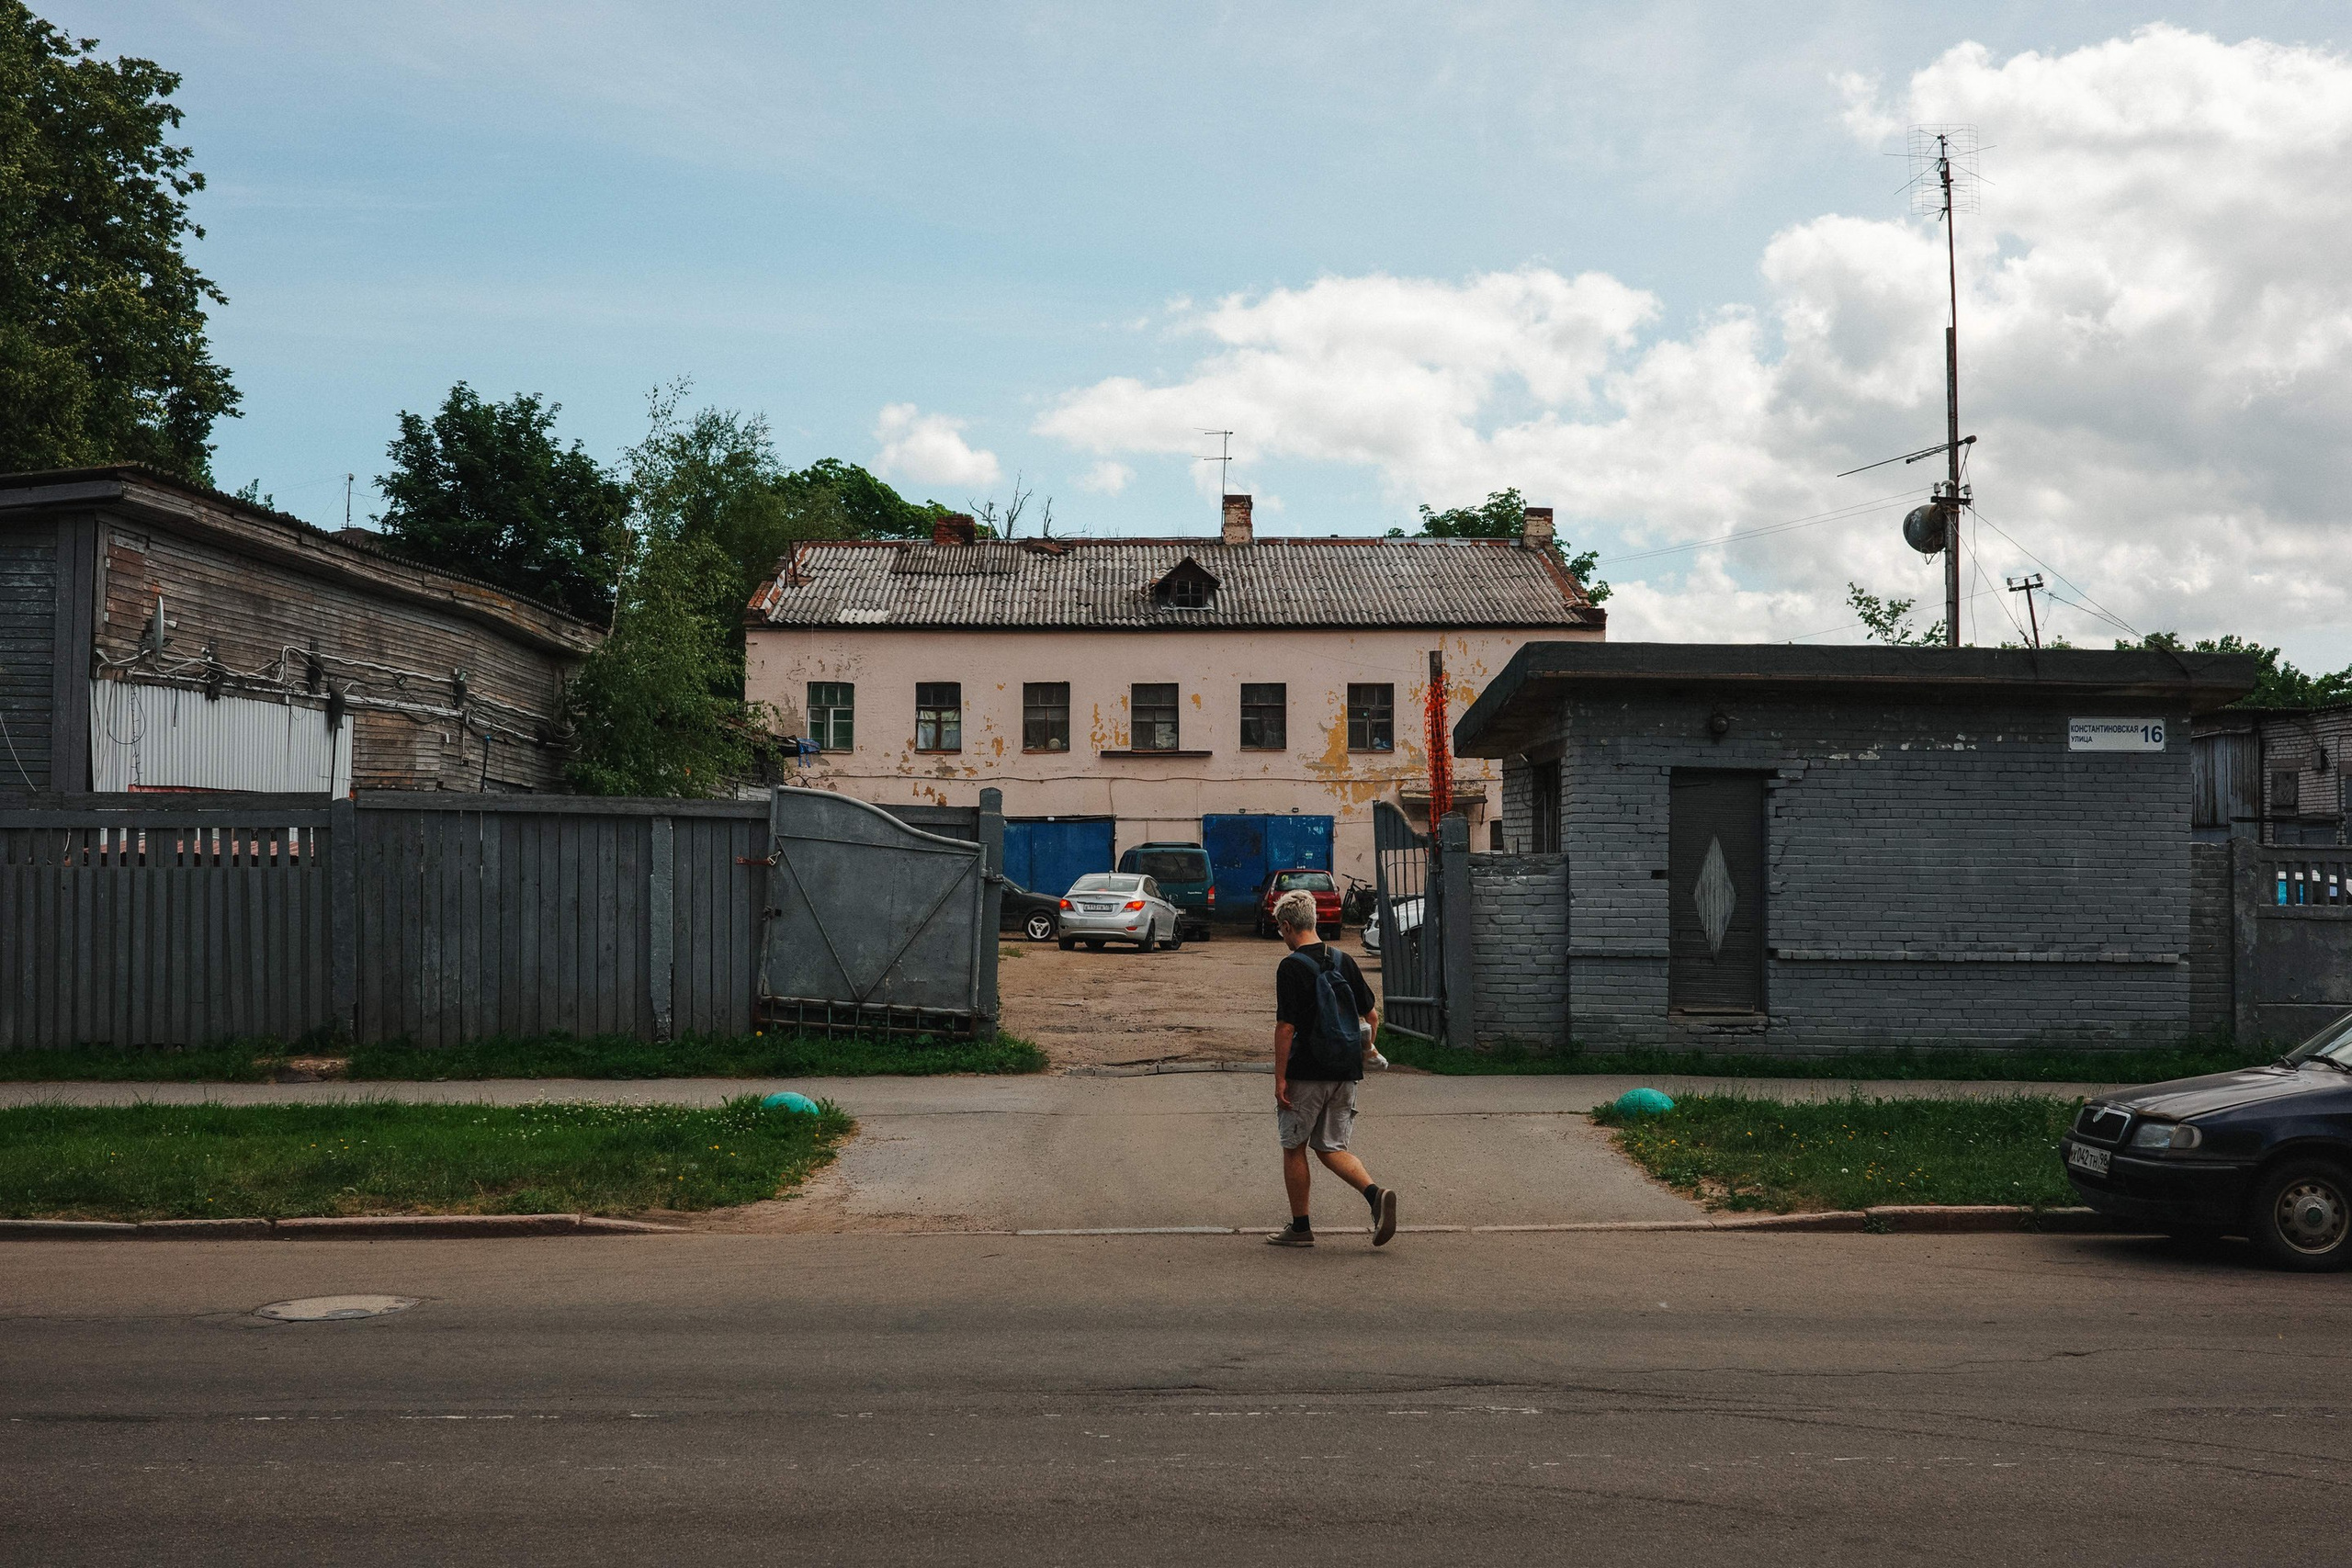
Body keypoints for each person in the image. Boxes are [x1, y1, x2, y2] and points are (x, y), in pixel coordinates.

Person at [1265, 887, 1396, 1248]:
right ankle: (1375, 1196)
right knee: (1330, 1147)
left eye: (1280, 929)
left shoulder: (1291, 966)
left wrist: (1280, 1079)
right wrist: (1364, 1051)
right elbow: (1371, 1015)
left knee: (1294, 1146)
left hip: (1307, 1072)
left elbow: (1286, 1027)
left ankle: (1301, 1228)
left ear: (1288, 926)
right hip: (1345, 1071)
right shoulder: (1343, 960)